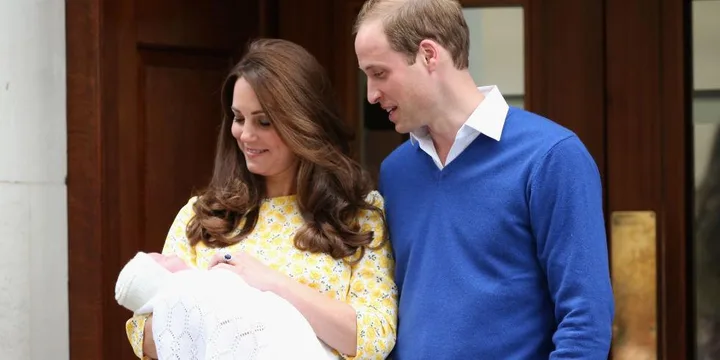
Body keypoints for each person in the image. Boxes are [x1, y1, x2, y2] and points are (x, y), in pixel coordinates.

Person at [352, 0, 614, 358]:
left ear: (429, 54)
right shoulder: (396, 172)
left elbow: (585, 321)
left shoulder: (552, 157)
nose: (371, 94)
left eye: (379, 73)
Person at [124, 38, 398, 360]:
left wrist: (270, 283)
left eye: (264, 121)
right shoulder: (200, 216)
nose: (246, 135)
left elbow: (373, 336)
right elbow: (144, 333)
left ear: (304, 123)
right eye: (239, 118)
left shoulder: (358, 217)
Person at [115, 251, 336, 359]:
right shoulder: (184, 291)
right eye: (161, 259)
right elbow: (145, 333)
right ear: (159, 277)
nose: (170, 253)